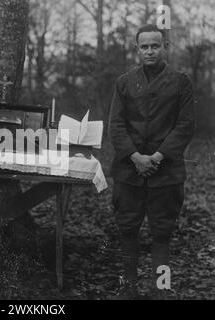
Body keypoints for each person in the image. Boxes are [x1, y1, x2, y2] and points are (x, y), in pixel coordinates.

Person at [108, 24, 195, 299]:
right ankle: (127, 287)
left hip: (166, 171)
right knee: (127, 229)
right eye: (144, 46)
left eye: (155, 46)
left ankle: (161, 288)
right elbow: (116, 125)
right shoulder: (124, 82)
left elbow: (185, 126)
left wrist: (156, 157)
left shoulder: (181, 82)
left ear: (164, 47)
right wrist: (135, 157)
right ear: (137, 49)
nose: (149, 51)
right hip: (128, 170)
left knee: (162, 232)